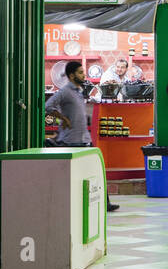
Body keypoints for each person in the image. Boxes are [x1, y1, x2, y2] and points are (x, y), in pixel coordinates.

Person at [46, 61, 118, 211]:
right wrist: (63, 118)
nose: (83, 75)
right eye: (80, 72)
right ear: (71, 75)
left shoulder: (79, 92)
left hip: (84, 140)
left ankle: (106, 204)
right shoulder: (65, 91)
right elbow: (48, 106)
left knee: (97, 170)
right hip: (70, 142)